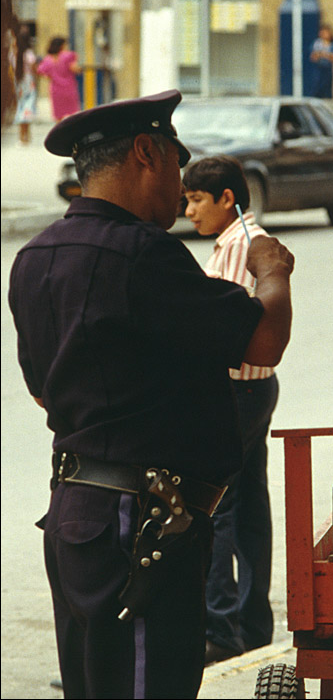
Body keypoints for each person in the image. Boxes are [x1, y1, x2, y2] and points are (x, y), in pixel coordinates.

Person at [8, 90, 294, 700]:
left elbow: (42, 393)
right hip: (140, 524)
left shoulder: (33, 259)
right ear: (145, 152)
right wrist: (272, 272)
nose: (178, 185)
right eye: (174, 164)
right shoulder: (147, 256)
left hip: (79, 517)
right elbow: (263, 342)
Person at [184, 156, 277, 665]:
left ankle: (221, 629)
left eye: (197, 200)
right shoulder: (240, 240)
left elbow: (228, 330)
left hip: (238, 392)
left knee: (217, 508)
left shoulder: (239, 246)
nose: (189, 210)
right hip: (254, 390)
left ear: (226, 198)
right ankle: (253, 626)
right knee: (248, 509)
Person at [37, 36, 81, 121]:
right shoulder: (68, 56)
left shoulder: (48, 59)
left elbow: (40, 71)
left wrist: (51, 76)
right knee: (72, 115)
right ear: (62, 45)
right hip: (69, 88)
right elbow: (74, 68)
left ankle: (60, 132)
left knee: (58, 116)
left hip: (56, 90)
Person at [12, 26, 37, 144]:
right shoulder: (29, 54)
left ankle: (21, 135)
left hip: (18, 81)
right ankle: (27, 135)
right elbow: (34, 68)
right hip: (28, 80)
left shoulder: (14, 55)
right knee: (28, 105)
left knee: (20, 105)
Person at [310, 23, 333, 99]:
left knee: (327, 86)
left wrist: (323, 54)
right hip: (319, 68)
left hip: (328, 68)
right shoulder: (317, 43)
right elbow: (313, 57)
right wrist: (323, 55)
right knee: (317, 85)